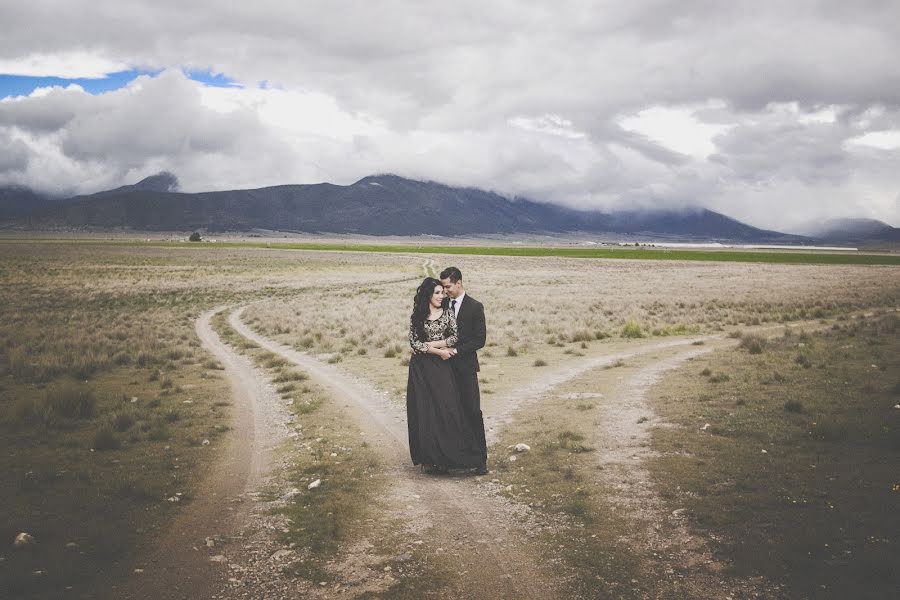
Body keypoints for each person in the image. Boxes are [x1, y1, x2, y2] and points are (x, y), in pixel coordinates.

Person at [406, 277, 484, 473]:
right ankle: (430, 458)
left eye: (443, 291)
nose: (442, 296)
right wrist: (439, 350)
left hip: (442, 368)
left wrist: (432, 346)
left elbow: (454, 337)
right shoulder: (417, 316)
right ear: (428, 296)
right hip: (421, 369)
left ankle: (455, 456)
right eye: (438, 293)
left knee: (446, 409)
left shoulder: (448, 313)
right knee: (425, 411)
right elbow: (413, 343)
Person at [438, 267, 488, 475]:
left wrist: (456, 350)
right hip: (444, 369)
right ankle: (450, 459)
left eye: (448, 286)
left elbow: (480, 340)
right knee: (448, 413)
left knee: (472, 412)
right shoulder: (441, 305)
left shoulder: (475, 307)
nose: (445, 291)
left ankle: (480, 460)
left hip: (466, 369)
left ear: (458, 283)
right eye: (443, 287)